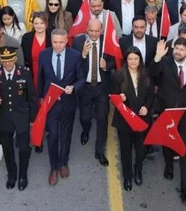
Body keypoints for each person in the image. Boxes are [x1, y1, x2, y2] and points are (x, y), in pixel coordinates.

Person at [150, 38, 186, 203]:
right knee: (168, 143)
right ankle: (168, 166)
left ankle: (184, 188)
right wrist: (157, 57)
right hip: (167, 112)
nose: (177, 51)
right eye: (176, 48)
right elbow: (151, 75)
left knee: (185, 149)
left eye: (181, 49)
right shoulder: (165, 62)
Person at [0, 46, 38, 191]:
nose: (7, 64)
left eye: (10, 61)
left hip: (22, 116)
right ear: (1, 60)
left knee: (24, 148)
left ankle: (22, 175)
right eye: (4, 61)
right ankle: (12, 175)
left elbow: (32, 97)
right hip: (3, 117)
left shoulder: (24, 73)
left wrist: (33, 119)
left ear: (15, 59)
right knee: (7, 149)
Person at [38, 28, 84, 185]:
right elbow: (40, 78)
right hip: (50, 104)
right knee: (53, 136)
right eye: (55, 42)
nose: (58, 46)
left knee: (66, 135)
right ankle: (54, 167)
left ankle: (64, 162)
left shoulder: (75, 56)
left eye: (61, 42)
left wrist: (74, 88)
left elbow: (81, 78)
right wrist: (40, 99)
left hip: (68, 102)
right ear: (51, 41)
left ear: (66, 41)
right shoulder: (43, 55)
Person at [111, 46, 154, 191]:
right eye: (130, 59)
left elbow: (151, 95)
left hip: (142, 119)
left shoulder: (146, 74)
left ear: (140, 60)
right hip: (125, 120)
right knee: (126, 151)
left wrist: (147, 107)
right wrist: (119, 98)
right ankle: (128, 177)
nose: (133, 61)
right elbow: (114, 96)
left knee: (141, 150)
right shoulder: (118, 75)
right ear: (126, 60)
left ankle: (138, 169)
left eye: (136, 58)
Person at [74, 18, 114, 166]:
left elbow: (114, 62)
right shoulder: (78, 43)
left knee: (102, 119)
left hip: (102, 88)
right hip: (85, 87)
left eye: (97, 31)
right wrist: (83, 54)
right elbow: (74, 65)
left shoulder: (107, 42)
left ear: (102, 30)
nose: (94, 33)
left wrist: (106, 66)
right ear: (86, 28)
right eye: (91, 30)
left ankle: (99, 151)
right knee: (85, 117)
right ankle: (85, 130)